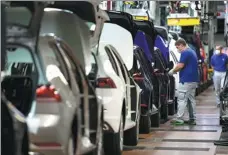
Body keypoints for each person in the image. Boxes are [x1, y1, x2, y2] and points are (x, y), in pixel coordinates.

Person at [168, 38, 199, 125]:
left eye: (178, 47)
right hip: (193, 80)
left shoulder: (185, 52)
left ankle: (179, 118)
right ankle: (192, 119)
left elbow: (180, 65)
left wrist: (172, 71)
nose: (178, 49)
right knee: (190, 100)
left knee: (181, 99)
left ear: (182, 45)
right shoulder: (192, 52)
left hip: (186, 80)